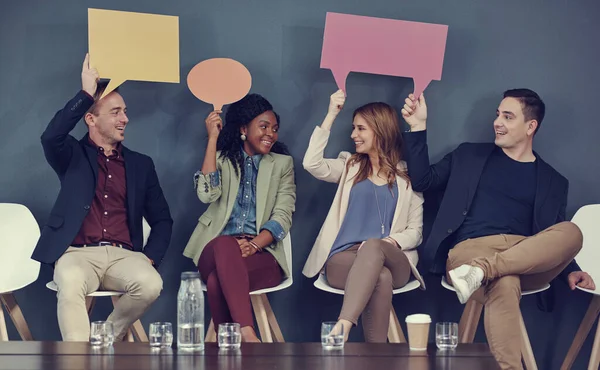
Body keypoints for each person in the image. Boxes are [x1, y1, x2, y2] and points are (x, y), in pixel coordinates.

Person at [401, 89, 595, 369]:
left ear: (531, 127)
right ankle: (486, 272)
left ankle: (484, 270)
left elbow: (551, 234)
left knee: (572, 232)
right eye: (497, 115)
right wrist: (418, 125)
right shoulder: (469, 155)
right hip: (470, 250)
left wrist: (571, 268)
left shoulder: (554, 181)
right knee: (505, 281)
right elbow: (422, 181)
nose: (497, 122)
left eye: (508, 116)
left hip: (523, 257)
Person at [32, 54, 173, 341]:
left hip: (124, 255)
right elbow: (50, 136)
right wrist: (86, 92)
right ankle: (79, 359)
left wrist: (150, 258)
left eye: (125, 111)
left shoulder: (141, 165)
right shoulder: (71, 155)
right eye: (116, 112)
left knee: (150, 284)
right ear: (91, 119)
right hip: (77, 253)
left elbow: (162, 220)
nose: (125, 119)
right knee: (69, 282)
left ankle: (104, 337)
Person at [302, 90, 425, 343]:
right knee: (381, 277)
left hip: (393, 257)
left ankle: (343, 325)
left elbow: (416, 231)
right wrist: (330, 115)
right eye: (353, 128)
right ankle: (376, 354)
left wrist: (387, 243)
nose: (353, 135)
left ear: (380, 130)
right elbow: (311, 164)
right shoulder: (349, 166)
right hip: (344, 259)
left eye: (360, 129)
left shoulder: (407, 176)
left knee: (375, 250)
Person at [184, 94, 296, 343]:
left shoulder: (282, 164)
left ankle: (230, 348)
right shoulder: (222, 160)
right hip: (216, 249)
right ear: (244, 129)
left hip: (261, 254)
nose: (271, 134)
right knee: (226, 244)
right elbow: (206, 194)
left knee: (216, 282)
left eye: (275, 129)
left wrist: (255, 244)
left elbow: (283, 215)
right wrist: (212, 138)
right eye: (264, 127)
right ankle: (248, 333)